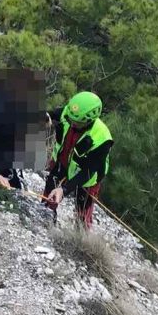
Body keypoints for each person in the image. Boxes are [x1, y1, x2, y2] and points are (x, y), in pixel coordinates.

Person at [44, 91, 113, 228]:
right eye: (71, 121)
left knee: (83, 210)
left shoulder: (102, 138)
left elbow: (88, 171)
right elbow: (52, 114)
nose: (73, 124)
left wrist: (64, 190)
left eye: (77, 123)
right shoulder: (69, 113)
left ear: (89, 120)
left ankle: (81, 234)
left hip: (87, 177)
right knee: (49, 195)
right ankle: (45, 218)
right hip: (62, 164)